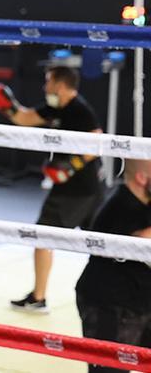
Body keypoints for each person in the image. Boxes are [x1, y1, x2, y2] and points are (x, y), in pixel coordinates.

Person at [0, 66, 103, 313]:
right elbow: (25, 118)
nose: (45, 87)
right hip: (85, 188)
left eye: (48, 81)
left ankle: (39, 298)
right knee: (100, 243)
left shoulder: (78, 109)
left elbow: (98, 140)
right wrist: (7, 104)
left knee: (43, 237)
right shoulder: (56, 107)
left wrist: (70, 166)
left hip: (75, 189)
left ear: (60, 84)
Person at [75, 158, 151, 372]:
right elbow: (141, 241)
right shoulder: (117, 207)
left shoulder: (146, 198)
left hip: (141, 301)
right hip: (108, 305)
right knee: (109, 369)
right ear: (141, 178)